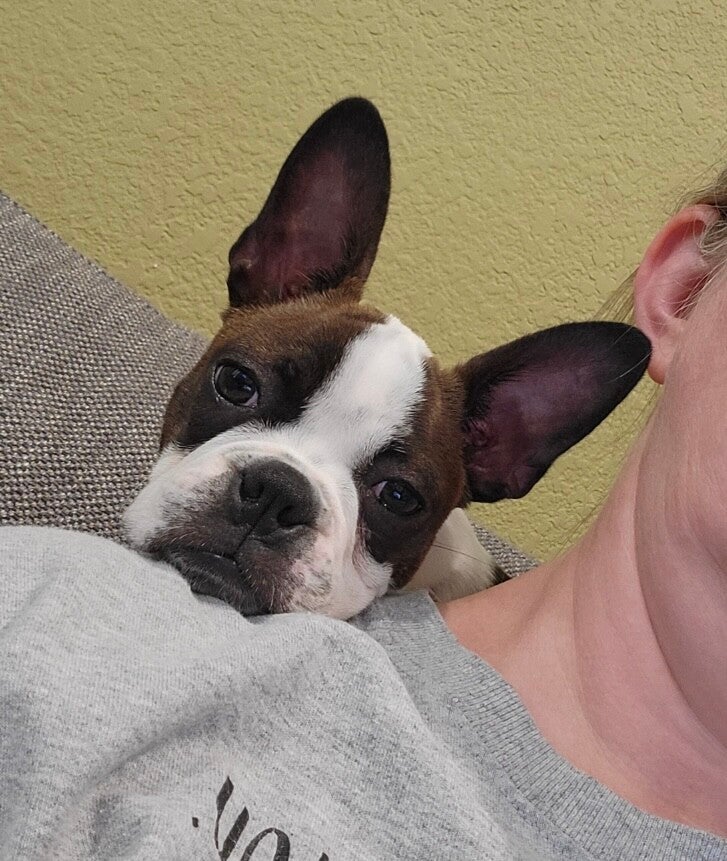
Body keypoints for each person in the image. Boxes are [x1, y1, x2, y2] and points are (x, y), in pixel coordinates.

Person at [2, 178, 727, 861]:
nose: (271, 502)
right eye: (240, 387)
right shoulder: (47, 598)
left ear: (503, 453)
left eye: (393, 497)